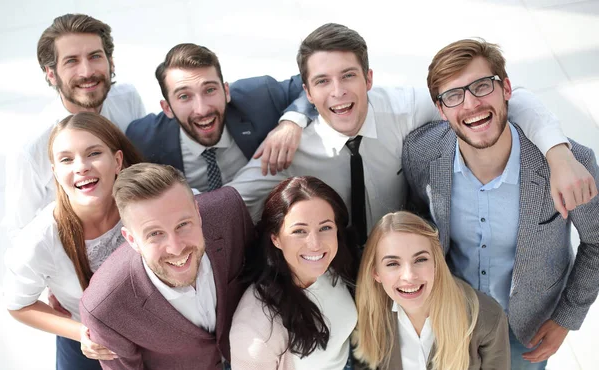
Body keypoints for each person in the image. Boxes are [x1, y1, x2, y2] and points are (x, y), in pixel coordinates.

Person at [228, 23, 596, 245]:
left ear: (369, 79)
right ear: (307, 93)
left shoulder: (403, 109)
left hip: (400, 268)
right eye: (322, 81)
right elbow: (228, 203)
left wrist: (558, 154)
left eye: (349, 75)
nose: (338, 91)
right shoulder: (288, 149)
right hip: (328, 269)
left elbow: (512, 100)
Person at [402, 38, 599, 369]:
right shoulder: (420, 154)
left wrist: (566, 317)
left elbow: (597, 242)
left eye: (482, 86)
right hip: (449, 316)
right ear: (441, 110)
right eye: (454, 95)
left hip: (525, 329)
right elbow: (415, 227)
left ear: (506, 88)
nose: (471, 104)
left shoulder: (570, 163)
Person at [3, 112, 143, 370]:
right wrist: (81, 333)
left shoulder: (147, 205)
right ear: (55, 172)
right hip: (88, 349)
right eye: (67, 159)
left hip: (155, 338)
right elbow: (17, 304)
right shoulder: (40, 239)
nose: (81, 167)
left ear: (117, 160)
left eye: (93, 154)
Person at [79, 163, 254, 370]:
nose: (176, 248)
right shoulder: (105, 309)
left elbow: (265, 275)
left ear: (198, 214)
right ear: (132, 239)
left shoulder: (228, 211)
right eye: (155, 234)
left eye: (182, 225)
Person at [3, 13, 146, 239]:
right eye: (71, 61)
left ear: (111, 62)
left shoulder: (128, 99)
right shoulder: (31, 148)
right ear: (51, 74)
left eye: (95, 56)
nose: (87, 72)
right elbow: (19, 233)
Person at [126, 43, 316, 192]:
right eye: (184, 96)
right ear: (167, 108)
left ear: (226, 91)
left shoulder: (260, 96)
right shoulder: (142, 138)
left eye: (210, 90)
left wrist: (291, 123)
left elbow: (312, 81)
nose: (201, 110)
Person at [230, 176, 359, 370]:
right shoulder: (257, 328)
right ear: (276, 239)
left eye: (325, 227)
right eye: (299, 231)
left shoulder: (335, 266)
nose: (315, 244)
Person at [353, 211, 510, 370]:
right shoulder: (368, 314)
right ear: (376, 273)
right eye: (392, 263)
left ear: (436, 263)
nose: (409, 276)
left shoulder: (487, 318)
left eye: (420, 260)